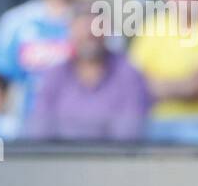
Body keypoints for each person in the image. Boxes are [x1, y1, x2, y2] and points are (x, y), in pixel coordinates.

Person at [27, 9, 151, 141]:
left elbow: (128, 133)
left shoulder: (128, 75)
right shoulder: (55, 75)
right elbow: (40, 130)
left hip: (112, 158)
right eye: (82, 33)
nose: (88, 38)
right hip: (61, 157)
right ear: (71, 33)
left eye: (93, 34)